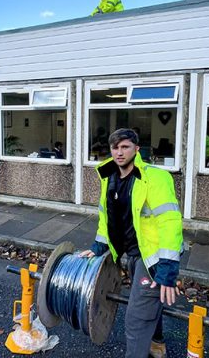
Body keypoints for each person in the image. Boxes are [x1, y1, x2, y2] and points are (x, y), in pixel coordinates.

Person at [80, 128, 183, 358]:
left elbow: (170, 222)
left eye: (125, 147)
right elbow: (107, 218)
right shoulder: (109, 178)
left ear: (137, 149)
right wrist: (99, 247)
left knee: (136, 318)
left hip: (155, 257)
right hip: (134, 253)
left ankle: (145, 348)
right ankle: (157, 342)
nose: (119, 152)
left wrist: (166, 269)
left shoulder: (155, 178)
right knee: (148, 302)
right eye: (115, 147)